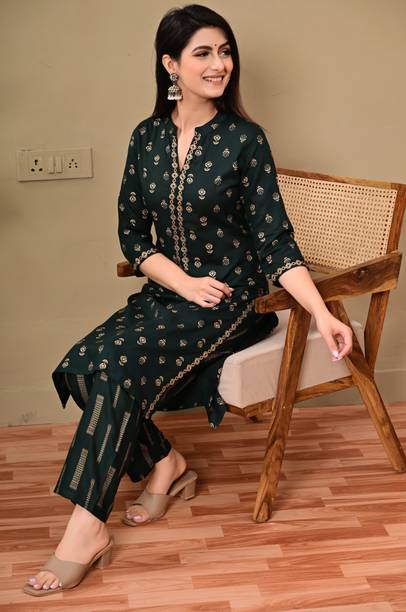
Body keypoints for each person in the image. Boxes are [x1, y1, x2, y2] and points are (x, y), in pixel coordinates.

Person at [23, 3, 353, 596]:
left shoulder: (245, 140)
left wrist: (321, 313)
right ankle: (167, 465)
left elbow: (276, 243)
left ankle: (84, 529)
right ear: (170, 64)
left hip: (230, 303)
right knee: (80, 368)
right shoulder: (145, 137)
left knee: (115, 368)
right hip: (171, 294)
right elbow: (133, 237)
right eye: (203, 53)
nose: (219, 64)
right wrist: (182, 283)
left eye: (225, 52)